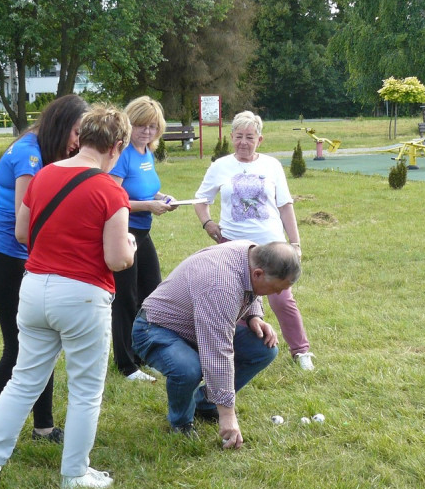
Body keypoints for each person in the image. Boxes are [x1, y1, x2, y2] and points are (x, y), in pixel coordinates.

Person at [0, 106, 136, 489]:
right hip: (82, 297)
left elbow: (24, 233)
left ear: (83, 136)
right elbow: (116, 259)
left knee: (23, 379)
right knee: (85, 390)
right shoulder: (111, 190)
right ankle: (74, 473)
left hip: (34, 289)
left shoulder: (43, 175)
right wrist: (130, 246)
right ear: (117, 145)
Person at [0, 95, 87, 444]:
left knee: (42, 345)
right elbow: (26, 224)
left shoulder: (44, 151)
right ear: (60, 125)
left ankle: (43, 427)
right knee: (18, 349)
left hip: (27, 260)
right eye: (76, 132)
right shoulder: (29, 156)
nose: (78, 142)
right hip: (9, 261)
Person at [131, 241, 301, 448]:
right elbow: (217, 351)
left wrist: (253, 316)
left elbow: (249, 289)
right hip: (156, 329)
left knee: (264, 348)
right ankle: (181, 422)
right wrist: (228, 414)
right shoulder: (220, 285)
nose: (275, 294)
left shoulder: (250, 253)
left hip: (195, 326)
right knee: (188, 369)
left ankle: (205, 403)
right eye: (275, 289)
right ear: (258, 274)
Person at [194, 111, 316, 371]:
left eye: (249, 137)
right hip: (233, 246)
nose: (243, 142)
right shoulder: (220, 166)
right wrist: (208, 223)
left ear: (259, 139)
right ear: (231, 137)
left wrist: (294, 243)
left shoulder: (271, 165)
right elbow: (200, 200)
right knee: (235, 300)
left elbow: (285, 206)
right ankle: (240, 349)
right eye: (238, 137)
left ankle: (301, 350)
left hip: (271, 245)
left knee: (282, 299)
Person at [109, 96, 178, 382]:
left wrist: (163, 198)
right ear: (129, 125)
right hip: (124, 231)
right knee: (126, 298)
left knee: (152, 292)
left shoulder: (146, 152)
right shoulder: (122, 154)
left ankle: (142, 354)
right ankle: (125, 364)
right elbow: (114, 198)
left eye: (152, 126)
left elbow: (149, 189)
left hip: (144, 231)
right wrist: (149, 206)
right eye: (140, 126)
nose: (146, 132)